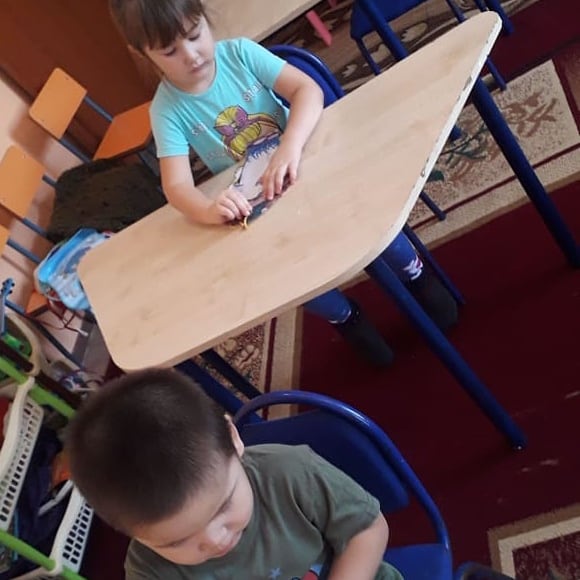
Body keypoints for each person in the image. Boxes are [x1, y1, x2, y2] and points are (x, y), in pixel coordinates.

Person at [109, 0, 457, 367]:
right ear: (143, 54)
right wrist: (209, 211)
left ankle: (415, 274)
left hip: (308, 160)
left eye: (195, 35)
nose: (191, 55)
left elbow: (307, 91)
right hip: (265, 201)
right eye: (170, 51)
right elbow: (177, 187)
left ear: (206, 21)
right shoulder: (166, 110)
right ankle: (346, 317)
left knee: (374, 219)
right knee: (288, 277)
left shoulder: (239, 53)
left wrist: (290, 146)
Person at [67, 368, 404, 579]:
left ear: (232, 438)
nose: (215, 539)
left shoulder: (289, 472)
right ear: (131, 534)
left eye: (223, 506)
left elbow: (367, 529)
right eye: (177, 541)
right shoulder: (148, 571)